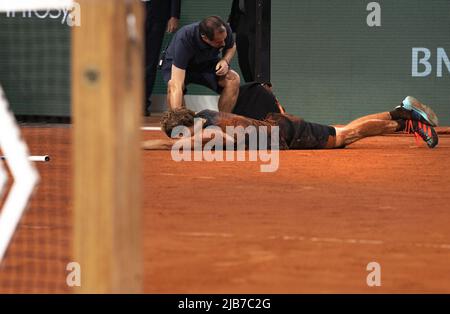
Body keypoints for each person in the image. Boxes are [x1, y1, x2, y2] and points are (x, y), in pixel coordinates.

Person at [142, 96, 439, 150]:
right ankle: (402, 122)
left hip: (285, 132)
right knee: (344, 132)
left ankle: (400, 112)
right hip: (281, 129)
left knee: (346, 135)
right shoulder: (205, 118)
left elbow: (221, 140)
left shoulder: (206, 128)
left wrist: (180, 144)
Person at [161, 16, 240, 112]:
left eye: (224, 39)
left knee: (233, 79)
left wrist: (225, 60)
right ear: (205, 38)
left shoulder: (223, 29)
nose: (223, 43)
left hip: (206, 62)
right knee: (173, 85)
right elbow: (176, 84)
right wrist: (178, 115)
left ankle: (223, 120)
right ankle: (179, 122)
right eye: (219, 42)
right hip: (179, 65)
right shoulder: (185, 38)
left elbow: (231, 46)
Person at [144, 0, 181, 116]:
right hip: (129, 12)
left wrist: (174, 15)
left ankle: (142, 104)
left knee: (150, 62)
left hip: (157, 12)